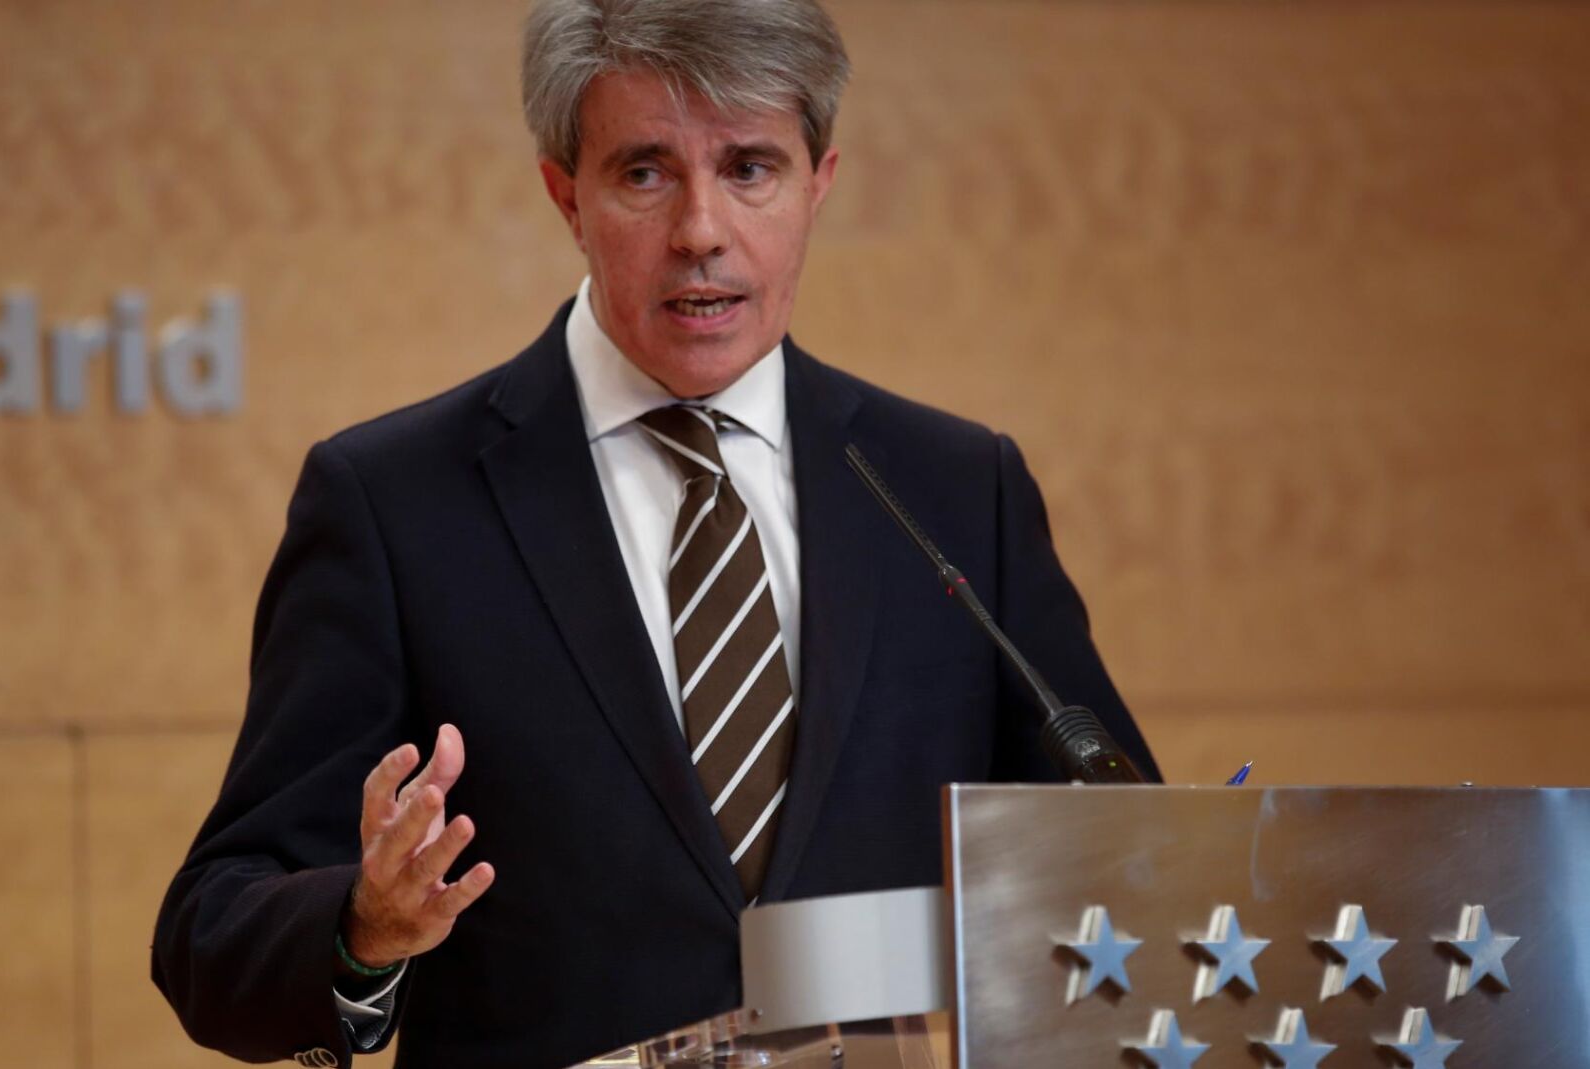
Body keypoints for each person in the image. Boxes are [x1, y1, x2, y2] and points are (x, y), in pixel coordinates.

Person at [152, 1, 1160, 1066]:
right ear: (566, 196)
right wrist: (363, 926)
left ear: (818, 184)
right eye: (644, 172)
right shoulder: (393, 503)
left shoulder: (954, 489)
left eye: (750, 168)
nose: (701, 231)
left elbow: (1119, 863)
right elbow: (212, 932)